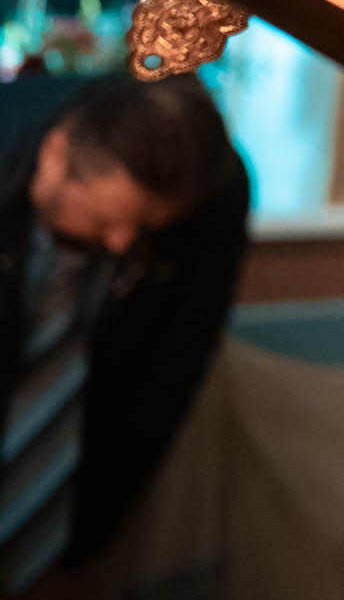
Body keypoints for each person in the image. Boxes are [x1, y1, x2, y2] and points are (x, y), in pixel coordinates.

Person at [0, 72, 247, 598]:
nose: (121, 243)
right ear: (55, 154)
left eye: (147, 226)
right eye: (105, 218)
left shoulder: (216, 191)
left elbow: (166, 379)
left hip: (72, 484)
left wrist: (87, 537)